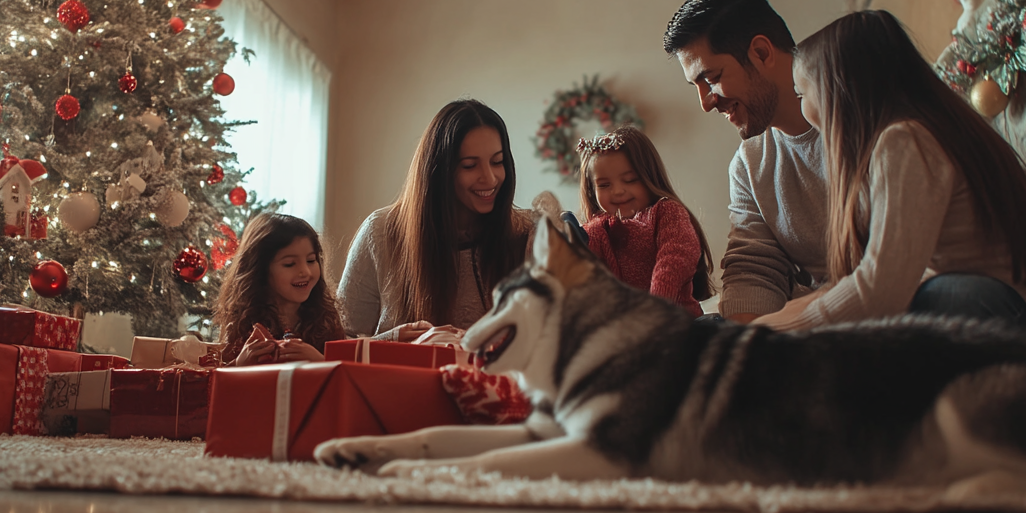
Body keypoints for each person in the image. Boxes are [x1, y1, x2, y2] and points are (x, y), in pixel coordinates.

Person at [754, 9, 1026, 333]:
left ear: (839, 91)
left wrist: (774, 334)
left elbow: (878, 291)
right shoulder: (926, 129)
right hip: (1018, 318)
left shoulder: (906, 139)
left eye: (801, 94)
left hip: (1012, 323)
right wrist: (772, 322)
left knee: (919, 302)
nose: (802, 108)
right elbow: (861, 282)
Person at [664, 0, 828, 324]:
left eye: (711, 78)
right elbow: (754, 267)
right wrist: (741, 345)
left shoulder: (860, 117)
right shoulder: (749, 164)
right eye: (696, 86)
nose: (706, 103)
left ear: (762, 53)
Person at [340, 99, 533, 339]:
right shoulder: (380, 232)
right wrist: (394, 341)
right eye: (470, 165)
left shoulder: (529, 234)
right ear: (438, 172)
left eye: (497, 162)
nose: (490, 178)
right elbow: (340, 341)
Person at [575, 127, 715, 317]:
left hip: (677, 324)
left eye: (630, 180)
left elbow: (673, 262)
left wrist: (655, 307)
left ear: (649, 176)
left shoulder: (667, 213)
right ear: (592, 190)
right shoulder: (598, 229)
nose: (617, 191)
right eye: (604, 185)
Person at [214, 213, 345, 365]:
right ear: (261, 269)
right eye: (289, 264)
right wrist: (238, 365)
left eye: (311, 260)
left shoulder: (328, 321)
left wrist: (320, 362)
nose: (306, 272)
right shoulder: (244, 322)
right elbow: (220, 382)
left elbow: (346, 378)